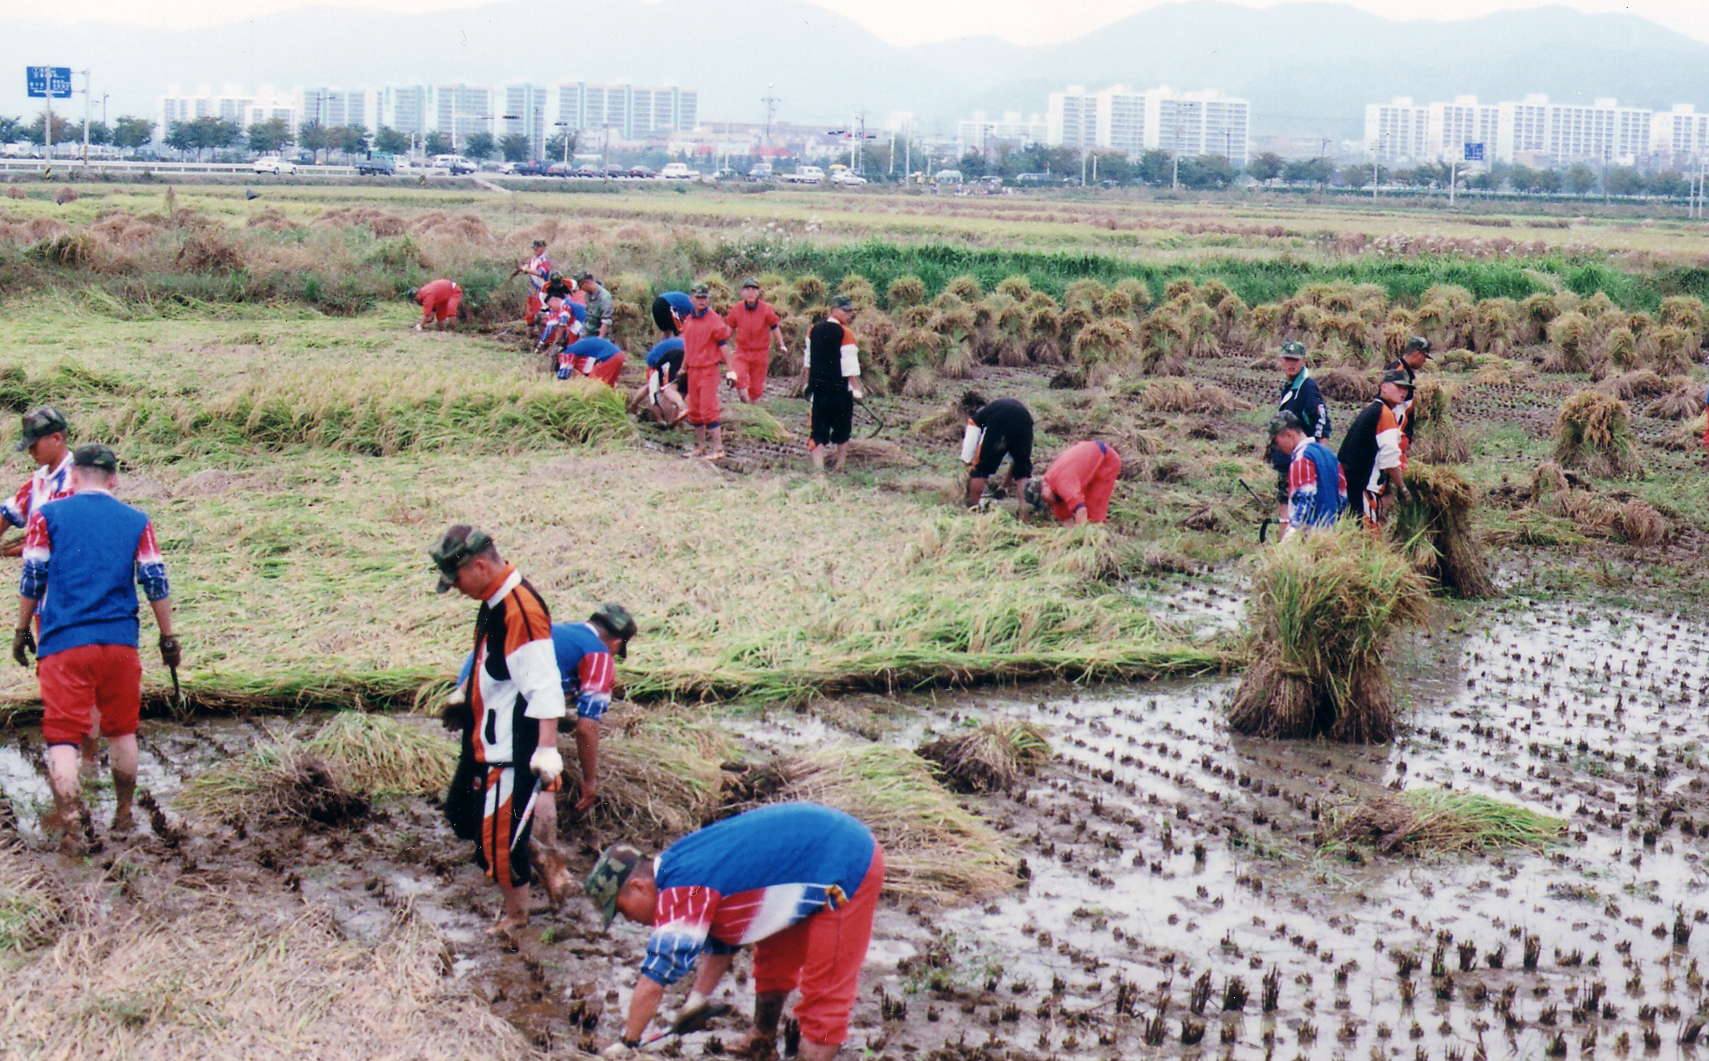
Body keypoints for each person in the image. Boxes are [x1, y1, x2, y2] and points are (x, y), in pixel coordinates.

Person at [584, 802, 885, 1061]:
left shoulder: (683, 888)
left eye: (621, 909)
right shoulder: (677, 866)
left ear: (638, 886)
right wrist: (697, 1000)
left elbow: (655, 978)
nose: (628, 920)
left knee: (826, 988)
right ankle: (761, 1039)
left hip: (846, 862)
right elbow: (723, 938)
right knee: (773, 956)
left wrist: (628, 1043)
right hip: (806, 859)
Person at [13, 444, 177, 850]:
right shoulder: (137, 520)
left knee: (63, 737)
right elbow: (155, 581)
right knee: (122, 731)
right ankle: (123, 815)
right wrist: (167, 635)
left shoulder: (46, 516)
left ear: (72, 477)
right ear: (114, 479)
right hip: (120, 644)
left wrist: (20, 630)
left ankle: (70, 824)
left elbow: (33, 576)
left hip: (64, 643)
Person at [431, 524, 566, 935]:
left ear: (480, 565)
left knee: (501, 842)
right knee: (467, 819)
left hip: (513, 750)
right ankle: (539, 866)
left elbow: (544, 686)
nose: (454, 588)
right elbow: (491, 666)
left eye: (455, 579)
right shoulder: (493, 600)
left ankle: (517, 917)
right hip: (486, 741)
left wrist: (546, 750)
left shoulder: (519, 610)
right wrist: (463, 694)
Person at [1337, 370, 1412, 527]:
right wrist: (1403, 488)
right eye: (1398, 387)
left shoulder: (1374, 409)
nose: (1403, 392)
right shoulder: (1384, 415)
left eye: (1406, 388)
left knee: (1351, 532)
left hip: (1348, 483)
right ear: (1383, 387)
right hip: (1363, 487)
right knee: (1368, 539)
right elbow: (1390, 461)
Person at [1269, 342, 1332, 526]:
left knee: (1293, 506)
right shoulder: (1290, 385)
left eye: (1295, 360)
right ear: (1281, 360)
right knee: (1286, 502)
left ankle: (1287, 548)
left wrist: (1321, 460)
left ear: (1304, 361)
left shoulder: (1307, 388)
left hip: (1301, 459)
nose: (1291, 363)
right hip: (1288, 457)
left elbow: (1321, 423)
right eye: (1288, 359)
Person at [804, 295, 863, 475]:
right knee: (842, 428)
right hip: (839, 389)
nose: (849, 314)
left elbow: (808, 360)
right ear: (833, 311)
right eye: (845, 311)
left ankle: (819, 468)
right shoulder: (846, 333)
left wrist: (807, 383)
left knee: (818, 428)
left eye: (850, 311)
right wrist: (856, 388)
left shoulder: (812, 330)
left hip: (818, 388)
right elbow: (849, 364)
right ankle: (839, 465)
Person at [4, 407, 75, 558]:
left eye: (34, 445)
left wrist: (6, 552)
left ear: (56, 439)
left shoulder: (75, 480)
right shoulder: (39, 478)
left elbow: (55, 541)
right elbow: (10, 511)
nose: (30, 452)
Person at [1268, 411, 1346, 539]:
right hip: (1331, 536)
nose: (1277, 448)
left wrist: (1290, 537)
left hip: (1310, 538)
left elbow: (1304, 501)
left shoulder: (1302, 458)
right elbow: (1342, 496)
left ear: (1289, 434)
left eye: (1277, 442)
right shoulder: (1330, 455)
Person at [680, 283, 734, 459]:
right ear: (691, 299)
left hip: (709, 369)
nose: (702, 301)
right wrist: (683, 368)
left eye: (704, 298)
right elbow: (688, 348)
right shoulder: (688, 321)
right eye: (698, 298)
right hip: (693, 370)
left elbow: (724, 347)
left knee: (708, 408)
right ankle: (701, 446)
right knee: (694, 409)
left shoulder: (715, 320)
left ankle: (718, 449)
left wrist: (731, 370)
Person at [959, 393, 1034, 509]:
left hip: (1001, 420)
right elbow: (1015, 463)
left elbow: (967, 458)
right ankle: (1025, 514)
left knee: (981, 470)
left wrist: (970, 470)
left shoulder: (975, 419)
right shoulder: (994, 409)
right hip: (1024, 419)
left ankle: (972, 509)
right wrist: (1004, 486)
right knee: (1023, 472)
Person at [1023, 440, 1121, 526]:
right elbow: (1066, 521)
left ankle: (1099, 543)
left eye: (1044, 500)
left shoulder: (1064, 485)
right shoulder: (1052, 493)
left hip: (1105, 459)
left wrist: (1079, 537)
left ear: (1044, 486)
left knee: (1093, 517)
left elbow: (1081, 510)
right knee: (1080, 513)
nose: (1046, 504)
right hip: (1084, 464)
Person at [724, 278, 784, 404]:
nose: (750, 293)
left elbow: (775, 327)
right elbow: (729, 330)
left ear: (758, 293)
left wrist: (781, 344)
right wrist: (720, 344)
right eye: (747, 290)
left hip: (760, 352)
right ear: (742, 293)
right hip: (742, 351)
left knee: (756, 387)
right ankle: (745, 403)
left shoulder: (766, 308)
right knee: (739, 378)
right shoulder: (736, 309)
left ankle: (754, 410)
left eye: (753, 290)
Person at [1385, 335, 1431, 462]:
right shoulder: (1398, 372)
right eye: (1424, 356)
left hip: (1399, 438)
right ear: (1417, 353)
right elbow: (1387, 406)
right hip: (1393, 438)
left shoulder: (1405, 373)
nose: (1425, 361)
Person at [632, 337, 689, 426]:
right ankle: (635, 406)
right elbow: (655, 390)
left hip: (679, 360)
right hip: (658, 359)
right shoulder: (692, 347)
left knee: (671, 390)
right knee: (653, 388)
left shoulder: (688, 347)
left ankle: (672, 419)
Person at [517, 239, 552, 338]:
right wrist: (522, 268)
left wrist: (526, 269)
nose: (535, 250)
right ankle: (528, 337)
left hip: (541, 293)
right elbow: (527, 268)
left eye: (537, 248)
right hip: (531, 292)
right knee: (529, 315)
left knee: (540, 317)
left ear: (543, 248)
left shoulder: (545, 260)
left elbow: (540, 273)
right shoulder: (533, 259)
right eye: (534, 248)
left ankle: (545, 339)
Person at [562, 336, 627, 388]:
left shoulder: (567, 353)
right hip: (618, 355)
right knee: (606, 389)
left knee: (591, 388)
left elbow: (564, 376)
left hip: (609, 356)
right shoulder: (577, 347)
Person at [577, 271, 615, 339]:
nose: (581, 290)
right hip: (587, 334)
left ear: (585, 284)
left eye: (581, 287)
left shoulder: (604, 297)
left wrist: (599, 339)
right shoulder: (588, 295)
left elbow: (606, 321)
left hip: (599, 335)